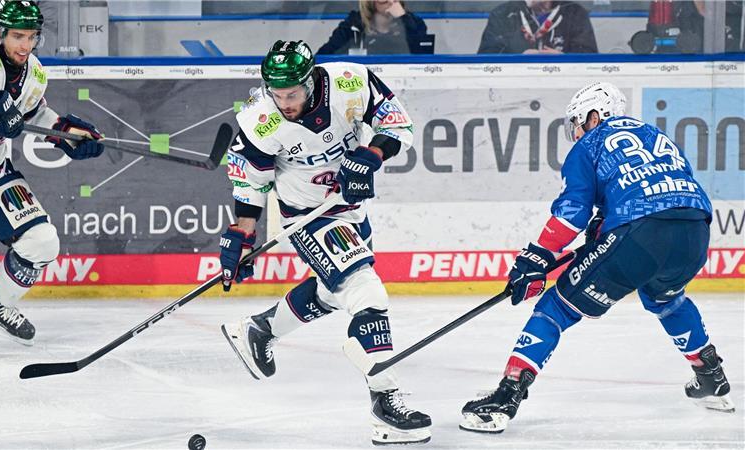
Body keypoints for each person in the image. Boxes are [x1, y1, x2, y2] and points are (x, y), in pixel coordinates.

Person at [459, 82, 734, 434]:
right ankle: (710, 375)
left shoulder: (589, 143)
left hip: (639, 232)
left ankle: (505, 398)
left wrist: (535, 258)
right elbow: (668, 186)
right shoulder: (654, 134)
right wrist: (607, 222)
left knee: (555, 308)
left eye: (577, 122)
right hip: (695, 230)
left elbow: (573, 211)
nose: (576, 132)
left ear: (594, 115)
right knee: (665, 298)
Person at [219, 40, 431, 445]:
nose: (285, 103)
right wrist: (241, 234)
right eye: (277, 94)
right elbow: (250, 183)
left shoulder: (350, 81)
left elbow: (397, 125)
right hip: (307, 216)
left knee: (332, 292)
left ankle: (260, 329)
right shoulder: (260, 119)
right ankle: (385, 401)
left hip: (350, 207)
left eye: (292, 94)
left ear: (312, 81)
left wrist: (370, 154)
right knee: (364, 289)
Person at [0, 0, 104, 345]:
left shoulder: (35, 73)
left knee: (42, 241)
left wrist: (65, 133)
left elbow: (33, 115)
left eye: (32, 37)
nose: (25, 45)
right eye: (17, 36)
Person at [478, 0, 598, 54]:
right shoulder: (503, 14)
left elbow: (591, 60)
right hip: (514, 92)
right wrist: (518, 61)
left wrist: (564, 60)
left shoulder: (575, 13)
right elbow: (485, 61)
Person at [317, 0, 429, 55]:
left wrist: (404, 19)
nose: (390, 2)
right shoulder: (354, 25)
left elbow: (423, 56)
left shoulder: (414, 23)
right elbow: (325, 54)